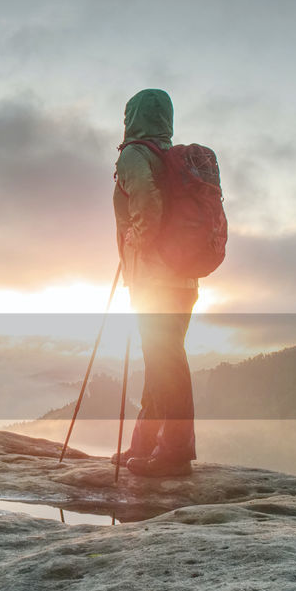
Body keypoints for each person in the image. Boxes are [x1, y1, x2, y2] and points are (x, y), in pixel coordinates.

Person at [111, 88, 197, 477]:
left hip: (154, 278)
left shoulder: (134, 155)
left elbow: (145, 203)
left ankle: (175, 452)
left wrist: (135, 240)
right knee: (162, 362)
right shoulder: (172, 158)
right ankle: (144, 444)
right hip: (183, 278)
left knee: (166, 363)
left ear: (133, 117)